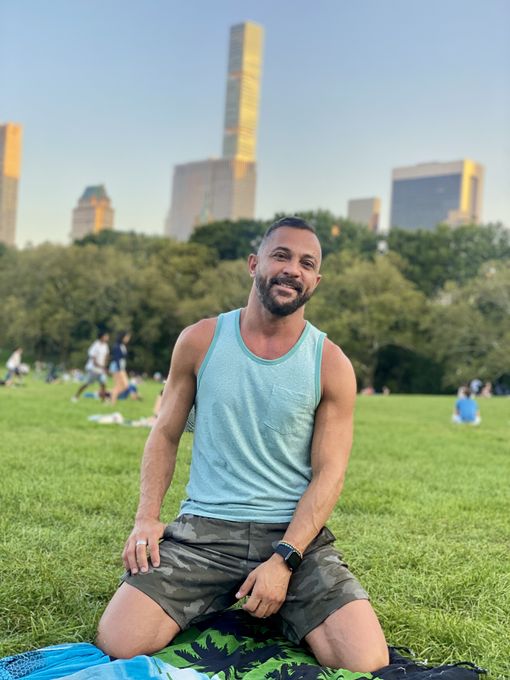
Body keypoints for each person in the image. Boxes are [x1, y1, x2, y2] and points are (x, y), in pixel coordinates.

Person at [96, 217, 388, 673]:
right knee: (119, 640)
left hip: (292, 536)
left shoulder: (330, 363)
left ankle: (276, 602)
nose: (293, 269)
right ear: (254, 264)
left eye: (307, 263)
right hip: (205, 531)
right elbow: (165, 434)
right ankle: (239, 603)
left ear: (316, 280)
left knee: (364, 659)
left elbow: (330, 474)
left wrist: (285, 559)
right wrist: (146, 518)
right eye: (281, 256)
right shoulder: (200, 341)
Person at [72, 332, 109, 402]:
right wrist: (102, 366)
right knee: (87, 383)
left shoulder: (105, 346)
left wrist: (105, 365)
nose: (107, 338)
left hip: (101, 369)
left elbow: (106, 355)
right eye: (105, 336)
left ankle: (103, 400)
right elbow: (93, 359)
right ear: (101, 337)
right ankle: (76, 396)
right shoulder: (95, 345)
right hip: (93, 369)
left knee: (103, 384)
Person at [109, 332, 131, 405]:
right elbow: (117, 358)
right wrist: (120, 370)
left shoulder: (122, 346)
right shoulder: (117, 346)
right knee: (120, 385)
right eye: (127, 337)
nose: (128, 339)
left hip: (121, 367)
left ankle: (111, 400)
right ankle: (112, 402)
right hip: (117, 367)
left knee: (123, 386)